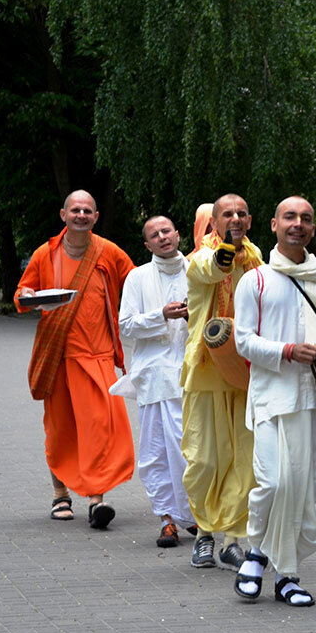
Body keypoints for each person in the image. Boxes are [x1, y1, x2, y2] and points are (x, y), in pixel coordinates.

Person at [232, 195, 316, 607]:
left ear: (313, 228)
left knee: (306, 487)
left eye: (305, 218)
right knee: (276, 482)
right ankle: (259, 555)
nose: (297, 223)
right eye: (289, 217)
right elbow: (243, 340)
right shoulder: (256, 280)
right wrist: (286, 351)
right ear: (274, 225)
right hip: (273, 397)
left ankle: (284, 575)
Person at [15, 189, 136, 528]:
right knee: (60, 430)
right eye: (75, 210)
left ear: (95, 217)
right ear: (63, 215)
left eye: (87, 211)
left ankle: (97, 500)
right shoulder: (45, 253)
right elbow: (23, 293)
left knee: (99, 428)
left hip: (98, 356)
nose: (81, 215)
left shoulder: (109, 251)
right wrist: (28, 295)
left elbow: (137, 282)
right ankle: (60, 494)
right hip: (57, 355)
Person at [180, 194, 263, 570]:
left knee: (245, 459)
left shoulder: (257, 258)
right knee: (204, 459)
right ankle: (203, 533)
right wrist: (228, 244)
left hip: (246, 370)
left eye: (241, 213)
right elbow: (215, 268)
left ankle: (232, 539)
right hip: (205, 371)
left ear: (251, 220)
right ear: (213, 222)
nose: (235, 218)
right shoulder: (200, 257)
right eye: (227, 214)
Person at [111, 215, 197, 548]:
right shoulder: (137, 277)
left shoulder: (199, 271)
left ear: (178, 234)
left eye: (166, 231)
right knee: (155, 450)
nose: (162, 237)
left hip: (193, 374)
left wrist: (193, 315)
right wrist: (161, 315)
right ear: (147, 244)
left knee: (190, 450)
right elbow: (126, 326)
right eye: (154, 234)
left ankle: (193, 514)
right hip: (154, 375)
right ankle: (166, 518)